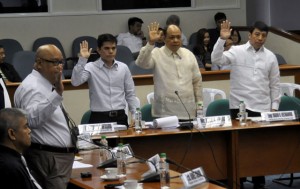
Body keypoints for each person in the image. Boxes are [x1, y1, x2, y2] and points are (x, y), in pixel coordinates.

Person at [211, 20, 281, 189]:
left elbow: (275, 85)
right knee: (238, 148)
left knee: (259, 148)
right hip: (239, 107)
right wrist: (221, 39)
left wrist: (274, 109)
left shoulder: (270, 56)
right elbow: (216, 59)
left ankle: (259, 182)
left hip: (262, 108)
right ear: (250, 35)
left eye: (263, 35)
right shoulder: (236, 51)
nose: (260, 38)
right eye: (257, 34)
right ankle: (239, 181)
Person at [14, 44, 75, 189]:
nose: (60, 67)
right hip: (48, 158)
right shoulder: (33, 87)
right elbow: (31, 120)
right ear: (39, 63)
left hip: (54, 158)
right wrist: (57, 94)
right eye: (54, 62)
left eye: (61, 62)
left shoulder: (45, 84)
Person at [136, 22, 202, 120]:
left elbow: (197, 82)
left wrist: (199, 106)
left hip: (188, 112)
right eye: (171, 37)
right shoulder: (157, 53)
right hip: (164, 113)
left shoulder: (189, 54)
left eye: (178, 37)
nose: (175, 40)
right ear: (164, 38)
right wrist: (150, 43)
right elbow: (142, 63)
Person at [71, 34, 138, 127]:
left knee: (123, 142)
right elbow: (75, 82)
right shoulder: (90, 67)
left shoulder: (123, 68)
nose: (110, 51)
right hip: (99, 118)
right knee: (100, 142)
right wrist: (82, 59)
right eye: (106, 48)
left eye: (113, 48)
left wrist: (135, 115)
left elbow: (130, 94)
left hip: (120, 117)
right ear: (98, 50)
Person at [0, 108, 42, 189]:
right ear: (12, 134)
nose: (29, 130)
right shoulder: (10, 167)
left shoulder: (12, 159)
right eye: (25, 127)